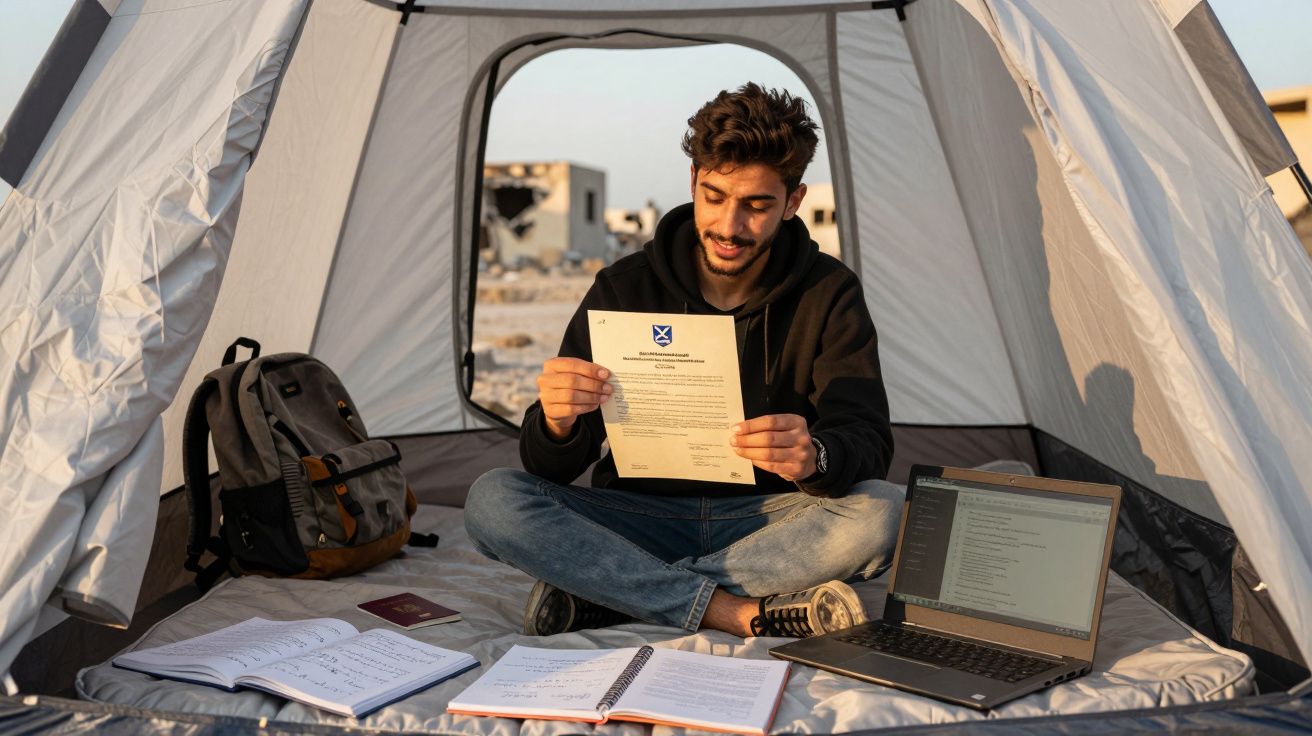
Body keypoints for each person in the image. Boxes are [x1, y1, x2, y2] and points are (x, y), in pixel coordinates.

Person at [465, 82, 902, 639]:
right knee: (492, 500)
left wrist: (815, 455)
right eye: (715, 197)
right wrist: (556, 421)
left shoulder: (829, 292)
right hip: (638, 519)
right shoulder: (623, 287)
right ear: (694, 181)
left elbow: (867, 439)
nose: (728, 226)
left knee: (885, 512)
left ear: (793, 202)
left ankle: (619, 595)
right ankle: (729, 610)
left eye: (757, 205)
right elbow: (546, 467)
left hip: (768, 521)